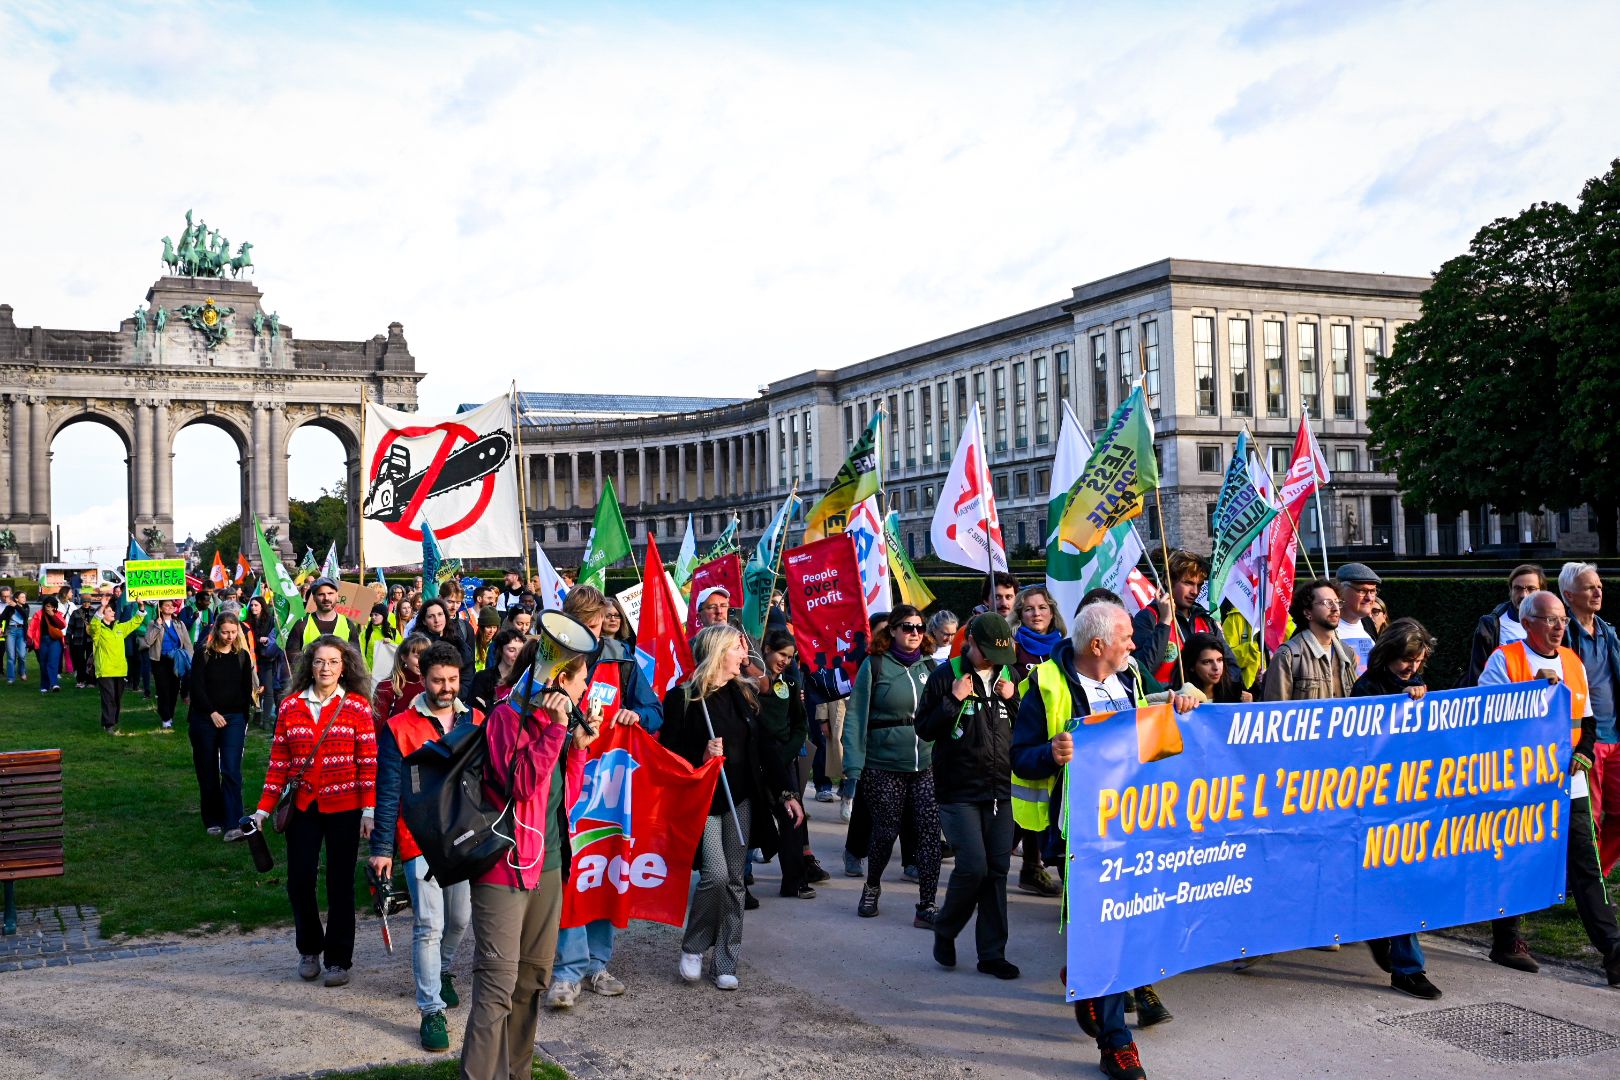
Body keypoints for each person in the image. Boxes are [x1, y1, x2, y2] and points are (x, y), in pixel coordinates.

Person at [1012, 600, 1198, 1079]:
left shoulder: (1131, 677)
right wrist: (1051, 753)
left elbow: (1153, 732)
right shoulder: (1046, 684)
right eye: (1126, 636)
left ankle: (1087, 982)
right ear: (1098, 645)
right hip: (1080, 837)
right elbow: (1020, 758)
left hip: (1134, 828)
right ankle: (1117, 1043)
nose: (1134, 643)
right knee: (1108, 930)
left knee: (1127, 927)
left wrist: (1180, 703)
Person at [462, 645, 596, 1079]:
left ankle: (515, 1074)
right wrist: (557, 733)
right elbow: (520, 784)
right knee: (497, 988)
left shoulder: (555, 725)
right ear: (560, 683)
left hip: (549, 866)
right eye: (581, 680)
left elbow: (562, 802)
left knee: (530, 984)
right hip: (505, 869)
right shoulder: (507, 716)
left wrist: (576, 748)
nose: (587, 688)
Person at [1478, 590, 1620, 986]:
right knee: (1515, 861)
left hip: (1568, 785)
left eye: (1561, 619)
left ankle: (1614, 952)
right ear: (1527, 624)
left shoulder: (1573, 662)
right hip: (1520, 787)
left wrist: (1585, 754)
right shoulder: (1505, 661)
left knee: (1587, 869)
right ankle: (1506, 940)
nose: (1559, 626)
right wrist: (1529, 693)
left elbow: (1587, 722)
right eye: (1549, 619)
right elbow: (1486, 718)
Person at [662, 624, 802, 991]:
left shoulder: (744, 695)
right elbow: (668, 754)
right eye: (739, 650)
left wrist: (787, 793)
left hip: (740, 799)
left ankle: (726, 960)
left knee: (737, 882)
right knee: (716, 876)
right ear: (719, 652)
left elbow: (766, 746)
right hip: (704, 803)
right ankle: (694, 946)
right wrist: (700, 756)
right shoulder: (683, 698)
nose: (746, 657)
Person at [548, 585, 667, 1010]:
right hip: (563, 783)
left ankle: (598, 964)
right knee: (570, 876)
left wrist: (638, 714)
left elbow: (655, 711)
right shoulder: (551, 656)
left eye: (597, 622)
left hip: (610, 789)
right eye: (585, 622)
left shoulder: (623, 659)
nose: (593, 630)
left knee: (604, 868)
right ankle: (566, 972)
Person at [370, 642, 483, 1053]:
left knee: (460, 919)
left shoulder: (476, 718)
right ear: (423, 676)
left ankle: (444, 971)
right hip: (418, 837)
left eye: (453, 680)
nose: (447, 688)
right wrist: (382, 846)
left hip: (466, 835)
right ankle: (430, 1009)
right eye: (439, 680)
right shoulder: (400, 726)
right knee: (428, 925)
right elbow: (388, 791)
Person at [250, 636, 376, 987]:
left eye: (333, 662)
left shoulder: (357, 707)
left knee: (340, 884)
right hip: (303, 806)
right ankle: (309, 949)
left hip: (346, 806)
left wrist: (368, 810)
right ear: (310, 665)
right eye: (319, 661)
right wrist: (262, 811)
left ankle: (338, 959)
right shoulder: (290, 707)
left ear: (344, 666)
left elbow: (368, 762)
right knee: (299, 881)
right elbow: (278, 765)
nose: (326, 668)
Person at [916, 612, 1021, 979]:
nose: (993, 660)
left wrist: (1014, 701)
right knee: (973, 866)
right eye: (986, 651)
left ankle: (992, 953)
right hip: (958, 789)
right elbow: (925, 728)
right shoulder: (947, 675)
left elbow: (1026, 729)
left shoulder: (1011, 676)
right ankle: (945, 928)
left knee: (997, 871)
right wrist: (952, 700)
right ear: (970, 643)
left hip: (1002, 790)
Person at [1350, 618, 1442, 999]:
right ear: (1388, 653)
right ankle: (1385, 942)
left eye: (1419, 661)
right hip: (1376, 799)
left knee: (1405, 882)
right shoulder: (1366, 687)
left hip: (1412, 800)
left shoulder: (1419, 686)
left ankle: (1406, 964)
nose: (1412, 668)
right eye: (1407, 660)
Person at [842, 603, 941, 928]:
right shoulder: (876, 665)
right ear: (894, 631)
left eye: (919, 627)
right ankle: (872, 886)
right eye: (907, 627)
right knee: (885, 831)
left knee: (928, 833)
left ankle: (927, 904)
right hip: (882, 764)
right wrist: (853, 767)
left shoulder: (931, 667)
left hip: (924, 764)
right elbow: (856, 716)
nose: (915, 633)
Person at [753, 628, 826, 900]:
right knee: (751, 815)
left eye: (790, 657)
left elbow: (799, 727)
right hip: (754, 760)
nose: (785, 660)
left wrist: (783, 758)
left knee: (792, 818)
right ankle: (743, 872)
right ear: (767, 649)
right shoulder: (746, 686)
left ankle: (794, 881)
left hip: (783, 763)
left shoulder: (792, 685)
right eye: (781, 654)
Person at [1560, 562, 1620, 874]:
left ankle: (1597, 874)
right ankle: (1583, 882)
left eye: (1599, 586)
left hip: (1616, 737)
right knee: (1589, 819)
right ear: (1569, 595)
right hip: (1586, 741)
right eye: (1589, 587)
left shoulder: (1607, 631)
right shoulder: (1562, 634)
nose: (1598, 591)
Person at [1010, 586, 1066, 898]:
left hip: (1054, 736)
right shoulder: (1014, 648)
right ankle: (995, 866)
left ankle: (1032, 867)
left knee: (1044, 804)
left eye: (1042, 608)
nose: (1036, 614)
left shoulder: (1063, 646)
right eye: (1029, 609)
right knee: (1022, 804)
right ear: (1020, 614)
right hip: (1022, 734)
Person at [188, 611, 257, 842]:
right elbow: (196, 687)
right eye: (225, 632)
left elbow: (246, 687)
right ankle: (213, 818)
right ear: (216, 630)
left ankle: (233, 821)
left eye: (233, 632)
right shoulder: (203, 655)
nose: (229, 636)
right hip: (204, 718)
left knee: (230, 769)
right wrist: (211, 712)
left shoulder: (242, 657)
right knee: (207, 769)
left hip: (234, 718)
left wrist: (243, 717)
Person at [1131, 549, 1232, 688]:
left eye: (1199, 585)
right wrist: (1165, 623)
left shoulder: (1206, 620)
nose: (1195, 591)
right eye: (1188, 583)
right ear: (1167, 581)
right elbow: (1143, 670)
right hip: (1165, 704)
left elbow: (1230, 666)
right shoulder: (1148, 617)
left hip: (1204, 705)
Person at [1261, 579, 1357, 703]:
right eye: (1327, 603)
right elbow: (1275, 711)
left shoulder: (1348, 654)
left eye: (1337, 602)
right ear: (1307, 612)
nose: (1335, 608)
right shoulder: (1287, 656)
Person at [1461, 564, 1545, 687]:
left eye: (1531, 589)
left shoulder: (1556, 623)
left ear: (1542, 592)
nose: (1523, 595)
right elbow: (1478, 673)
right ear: (1510, 591)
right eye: (1518, 588)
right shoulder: (1492, 625)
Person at [90, 593, 145, 731]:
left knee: (116, 698)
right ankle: (109, 725)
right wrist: (102, 607)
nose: (113, 612)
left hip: (119, 669)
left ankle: (110, 721)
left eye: (112, 610)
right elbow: (93, 625)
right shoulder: (98, 630)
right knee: (109, 697)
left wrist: (141, 606)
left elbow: (135, 622)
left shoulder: (119, 627)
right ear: (103, 615)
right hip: (105, 670)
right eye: (110, 611)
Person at [286, 578, 362, 672]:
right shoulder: (302, 624)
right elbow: (292, 658)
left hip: (341, 683)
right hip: (309, 683)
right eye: (321, 594)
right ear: (314, 598)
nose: (326, 598)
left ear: (337, 596)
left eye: (330, 593)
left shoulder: (348, 625)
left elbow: (356, 658)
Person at [143, 598, 193, 729]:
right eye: (167, 605)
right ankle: (165, 718)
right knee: (163, 689)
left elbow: (187, 642)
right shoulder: (153, 623)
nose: (170, 607)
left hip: (176, 660)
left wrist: (192, 659)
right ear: (160, 608)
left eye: (172, 605)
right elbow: (148, 641)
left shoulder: (179, 623)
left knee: (174, 688)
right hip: (160, 660)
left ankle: (169, 714)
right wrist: (157, 626)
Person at [1334, 562, 1382, 676]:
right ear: (1341, 591)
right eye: (1362, 591)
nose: (1369, 598)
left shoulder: (1368, 623)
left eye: (1373, 591)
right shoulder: (1323, 626)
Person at [374, 633, 430, 731]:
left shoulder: (432, 685)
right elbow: (378, 729)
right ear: (404, 657)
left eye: (427, 656)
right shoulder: (386, 687)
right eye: (417, 656)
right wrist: (408, 712)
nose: (423, 661)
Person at [1181, 632, 1252, 704]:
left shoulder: (1236, 693)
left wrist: (1249, 706)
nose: (1216, 667)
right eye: (1207, 662)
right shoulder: (1178, 695)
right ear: (1191, 666)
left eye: (1220, 660)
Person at [466, 629, 524, 715]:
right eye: (512, 650)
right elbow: (472, 710)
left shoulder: (524, 678)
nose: (517, 655)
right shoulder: (482, 677)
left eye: (521, 650)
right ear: (500, 650)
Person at [417, 597, 475, 681]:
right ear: (424, 621)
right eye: (430, 616)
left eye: (440, 614)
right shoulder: (419, 644)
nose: (436, 620)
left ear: (445, 616)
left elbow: (469, 670)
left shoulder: (458, 640)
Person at [31, 595, 67, 693]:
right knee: (43, 664)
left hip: (55, 641)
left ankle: (54, 684)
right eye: (47, 606)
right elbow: (32, 628)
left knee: (52, 662)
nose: (49, 608)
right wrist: (31, 641)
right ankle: (44, 685)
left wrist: (52, 615)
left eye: (51, 606)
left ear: (54, 607)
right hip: (42, 641)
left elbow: (62, 625)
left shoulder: (58, 614)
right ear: (44, 605)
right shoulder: (38, 614)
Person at [2, 587, 29, 684]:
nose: (24, 599)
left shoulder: (26, 607)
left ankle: (21, 672)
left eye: (24, 597)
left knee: (22, 655)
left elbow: (25, 616)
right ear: (16, 599)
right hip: (11, 631)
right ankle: (11, 678)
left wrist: (16, 606)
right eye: (22, 597)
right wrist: (0, 627)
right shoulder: (9, 608)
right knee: (11, 656)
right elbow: (1, 618)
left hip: (22, 631)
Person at [66, 598, 94, 689]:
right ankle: (80, 680)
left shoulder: (95, 612)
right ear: (82, 603)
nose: (86, 604)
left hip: (91, 641)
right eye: (85, 602)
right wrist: (68, 639)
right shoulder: (76, 612)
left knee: (91, 661)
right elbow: (70, 627)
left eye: (88, 602)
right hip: (78, 641)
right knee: (79, 661)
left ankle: (91, 681)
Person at [361, 601, 398, 671]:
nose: (373, 617)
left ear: (383, 616)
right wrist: (367, 672)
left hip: (389, 673)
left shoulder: (393, 632)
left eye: (376, 615)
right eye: (371, 615)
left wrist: (391, 643)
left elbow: (402, 648)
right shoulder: (365, 633)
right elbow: (361, 653)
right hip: (370, 674)